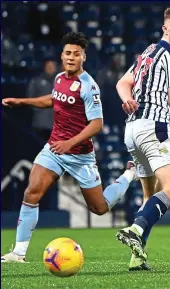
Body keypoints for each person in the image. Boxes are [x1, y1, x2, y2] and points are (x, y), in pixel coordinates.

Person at [1, 32, 137, 263]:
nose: (71, 57)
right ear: (62, 55)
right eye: (67, 53)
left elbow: (97, 124)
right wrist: (22, 102)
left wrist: (70, 143)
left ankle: (129, 174)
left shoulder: (89, 86)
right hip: (54, 149)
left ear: (83, 57)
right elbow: (54, 100)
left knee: (100, 208)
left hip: (80, 156)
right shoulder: (59, 78)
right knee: (31, 192)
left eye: (76, 54)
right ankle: (19, 253)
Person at [114, 4, 170, 271]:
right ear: (166, 28)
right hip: (154, 129)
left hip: (132, 131)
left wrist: (128, 101)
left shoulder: (148, 52)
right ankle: (135, 229)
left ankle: (137, 257)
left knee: (150, 196)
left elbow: (122, 84)